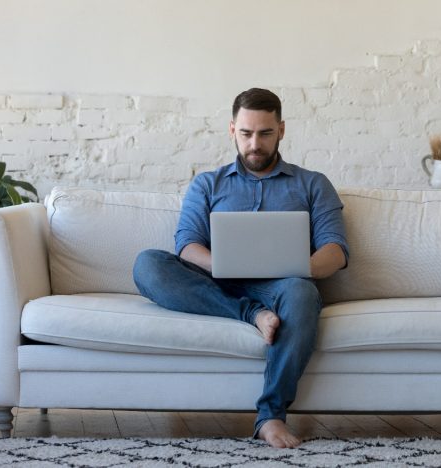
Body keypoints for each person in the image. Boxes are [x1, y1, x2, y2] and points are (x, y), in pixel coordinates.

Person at [133, 88, 349, 448]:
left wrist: (297, 266)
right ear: (232, 130)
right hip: (216, 284)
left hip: (282, 286)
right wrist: (223, 265)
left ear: (281, 130)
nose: (255, 144)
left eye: (265, 133)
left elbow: (335, 252)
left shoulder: (313, 184)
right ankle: (252, 314)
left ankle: (271, 417)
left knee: (301, 292)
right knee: (148, 264)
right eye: (246, 134)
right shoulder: (208, 183)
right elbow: (187, 247)